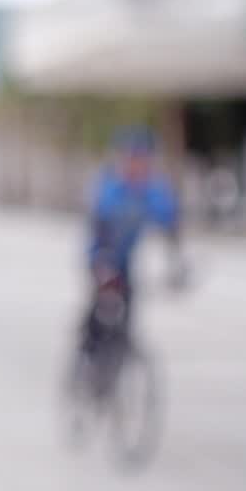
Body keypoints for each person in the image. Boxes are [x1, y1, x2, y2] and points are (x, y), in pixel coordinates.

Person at [81, 127, 186, 350]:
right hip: (100, 254)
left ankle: (121, 351)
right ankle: (87, 348)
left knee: (129, 303)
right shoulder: (110, 187)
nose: (136, 165)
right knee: (101, 302)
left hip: (126, 258)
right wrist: (102, 264)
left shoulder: (153, 191)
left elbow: (170, 225)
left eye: (142, 159)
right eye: (131, 158)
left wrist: (177, 263)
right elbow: (98, 224)